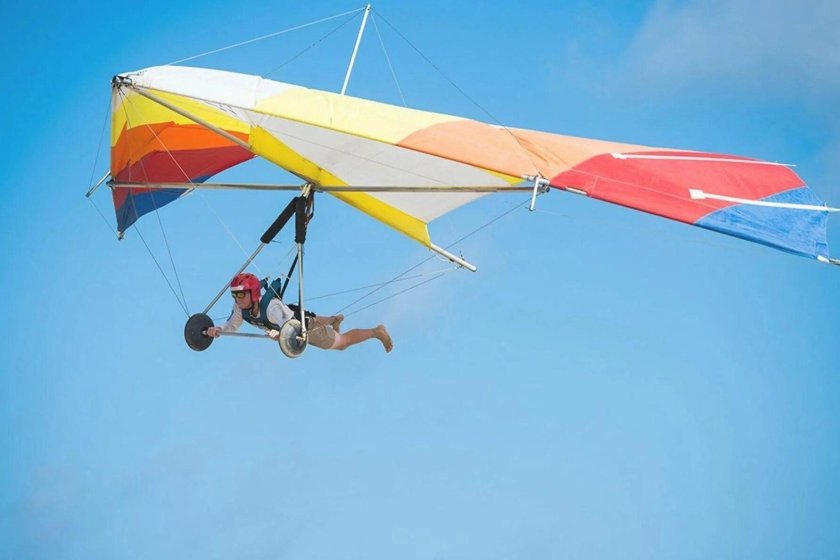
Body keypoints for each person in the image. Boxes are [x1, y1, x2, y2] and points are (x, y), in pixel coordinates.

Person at [206, 273, 393, 352]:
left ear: (253, 293)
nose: (237, 299)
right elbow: (232, 325)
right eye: (234, 295)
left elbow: (290, 327)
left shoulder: (271, 308)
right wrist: (218, 330)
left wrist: (278, 335)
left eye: (241, 294)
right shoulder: (240, 307)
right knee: (314, 319)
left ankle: (377, 331)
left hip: (303, 327)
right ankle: (334, 320)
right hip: (298, 315)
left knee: (342, 343)